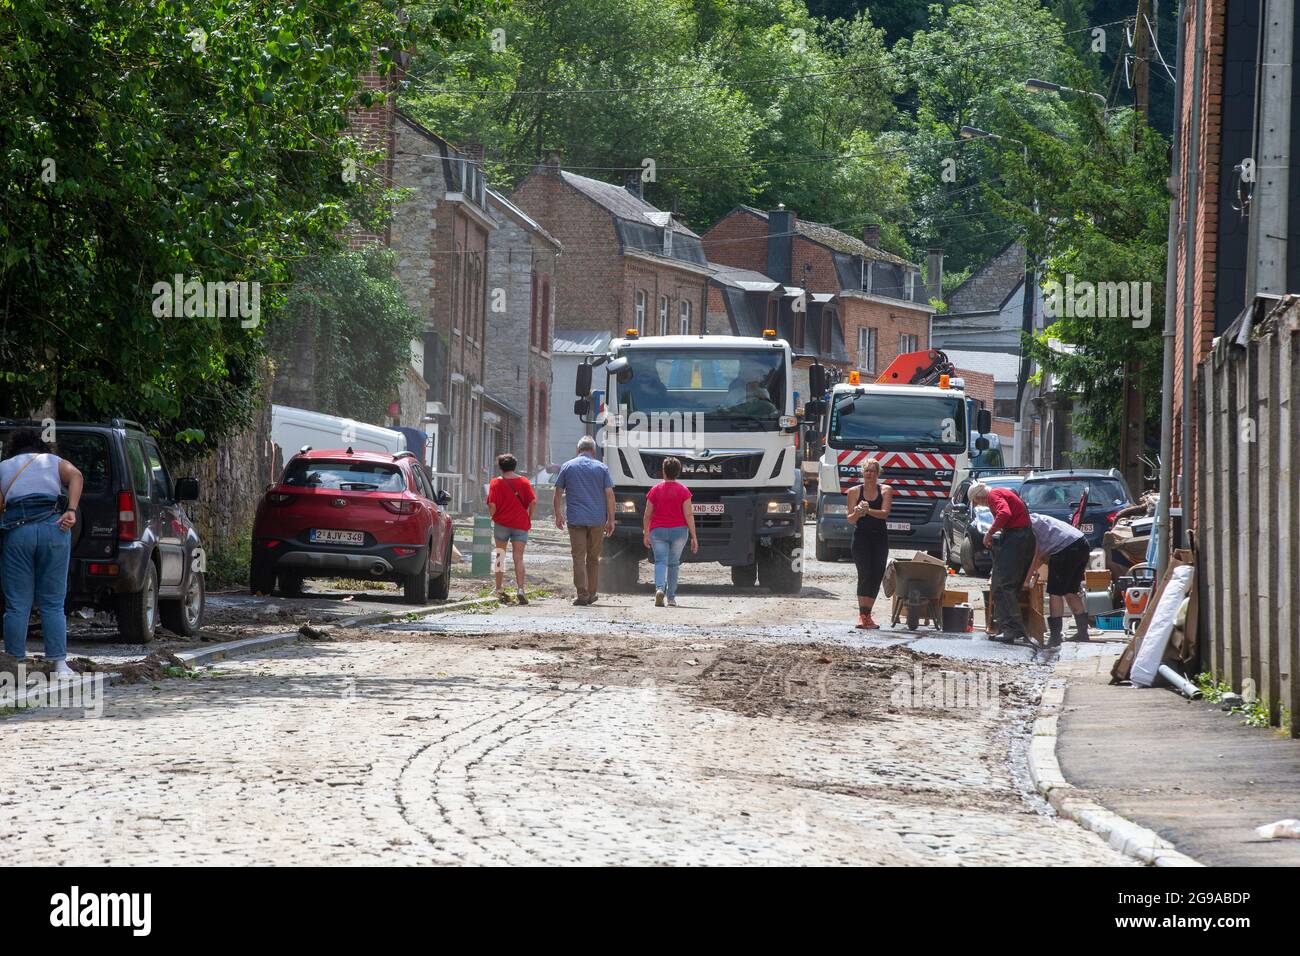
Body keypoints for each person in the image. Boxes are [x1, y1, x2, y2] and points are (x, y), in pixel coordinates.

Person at [0, 428, 84, 678]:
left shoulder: (3, 467)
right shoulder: (53, 462)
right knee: (53, 602)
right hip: (54, 529)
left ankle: (15, 665)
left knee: (17, 604)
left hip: (18, 534)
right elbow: (77, 476)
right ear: (40, 448)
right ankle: (59, 664)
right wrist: (71, 510)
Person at [968, 481, 1036, 644]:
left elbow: (1004, 513)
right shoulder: (1002, 492)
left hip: (1017, 539)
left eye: (976, 501)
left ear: (978, 496)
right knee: (1010, 587)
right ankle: (1014, 629)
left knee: (1001, 586)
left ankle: (1011, 629)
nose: (978, 504)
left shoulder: (993, 495)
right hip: (1024, 539)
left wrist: (989, 533)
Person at [553, 436, 616, 606]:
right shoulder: (602, 468)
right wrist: (611, 519)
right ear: (593, 451)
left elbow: (558, 492)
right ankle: (592, 592)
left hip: (576, 520)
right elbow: (609, 495)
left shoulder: (567, 466)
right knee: (594, 558)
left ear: (577, 449)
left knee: (578, 557)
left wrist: (558, 514)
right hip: (597, 520)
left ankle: (582, 593)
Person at [1026, 512, 1092, 646]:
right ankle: (1082, 633)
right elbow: (1040, 556)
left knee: (1055, 592)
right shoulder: (1037, 518)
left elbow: (1037, 555)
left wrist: (1026, 579)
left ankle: (1055, 637)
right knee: (1070, 590)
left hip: (1065, 548)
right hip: (1081, 543)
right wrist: (1033, 570)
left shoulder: (1028, 525)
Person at [642, 457, 698, 607]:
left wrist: (646, 533)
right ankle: (671, 598)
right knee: (673, 564)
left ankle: (660, 589)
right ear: (678, 472)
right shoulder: (684, 491)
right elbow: (688, 515)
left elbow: (647, 514)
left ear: (663, 471)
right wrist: (694, 536)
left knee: (660, 561)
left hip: (658, 531)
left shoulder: (655, 490)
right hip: (679, 532)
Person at [845, 457, 893, 629]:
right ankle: (862, 615)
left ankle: (868, 614)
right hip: (861, 537)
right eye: (867, 471)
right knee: (864, 573)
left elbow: (884, 513)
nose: (869, 474)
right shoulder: (854, 492)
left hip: (879, 537)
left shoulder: (886, 490)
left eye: (873, 471)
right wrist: (858, 513)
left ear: (878, 473)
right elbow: (850, 519)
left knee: (877, 574)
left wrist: (867, 510)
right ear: (862, 473)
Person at [485, 453, 535, 605]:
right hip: (520, 523)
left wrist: (493, 517)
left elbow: (492, 505)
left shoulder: (495, 483)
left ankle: (499, 588)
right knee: (518, 558)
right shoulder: (524, 482)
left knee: (500, 555)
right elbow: (533, 502)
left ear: (500, 467)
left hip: (501, 524)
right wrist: (529, 518)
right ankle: (520, 589)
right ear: (515, 466)